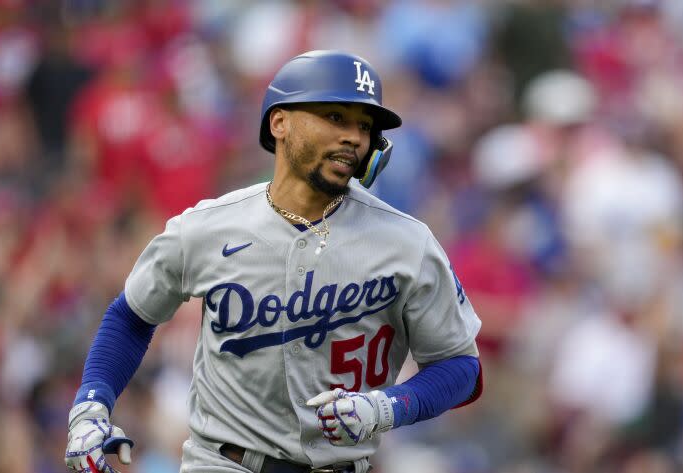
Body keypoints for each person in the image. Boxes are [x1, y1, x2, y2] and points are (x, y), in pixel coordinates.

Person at [64, 50, 483, 473]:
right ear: (279, 122)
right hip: (224, 463)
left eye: (364, 126)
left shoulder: (407, 243)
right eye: (335, 117)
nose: (354, 137)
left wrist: (388, 407)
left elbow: (459, 365)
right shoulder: (206, 227)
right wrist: (92, 403)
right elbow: (132, 315)